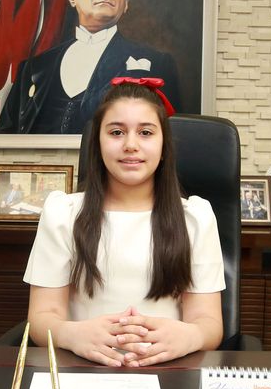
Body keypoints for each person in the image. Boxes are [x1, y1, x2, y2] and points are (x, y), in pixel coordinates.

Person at [24, 81, 224, 367]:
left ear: (164, 145)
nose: (131, 145)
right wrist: (72, 335)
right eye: (116, 132)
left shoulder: (195, 217)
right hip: (83, 369)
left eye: (146, 132)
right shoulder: (63, 214)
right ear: (98, 143)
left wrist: (189, 336)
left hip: (168, 370)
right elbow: (42, 318)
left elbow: (208, 323)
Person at [0, 0, 181, 134]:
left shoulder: (158, 64)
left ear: (126, 3)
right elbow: (6, 135)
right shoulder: (34, 68)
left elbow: (171, 135)